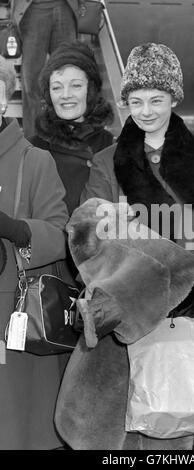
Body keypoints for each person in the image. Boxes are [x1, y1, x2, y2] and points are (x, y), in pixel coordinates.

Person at [54, 42, 194, 450]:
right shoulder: (107, 161)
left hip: (181, 315)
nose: (146, 111)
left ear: (174, 98)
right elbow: (87, 236)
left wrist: (169, 280)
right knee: (118, 436)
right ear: (125, 101)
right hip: (121, 319)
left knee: (174, 435)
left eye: (157, 99)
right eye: (136, 100)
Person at [0, 55, 70, 449]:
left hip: (15, 326)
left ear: (4, 96)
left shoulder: (34, 160)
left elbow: (62, 235)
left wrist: (15, 229)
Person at [30, 40, 114, 275]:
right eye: (57, 87)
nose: (65, 95)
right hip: (50, 272)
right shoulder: (33, 148)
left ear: (92, 89)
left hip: (101, 271)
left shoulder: (113, 146)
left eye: (75, 85)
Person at [12, 0, 80, 137]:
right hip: (34, 9)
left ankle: (67, 138)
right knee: (30, 82)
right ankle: (32, 141)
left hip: (64, 7)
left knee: (69, 77)